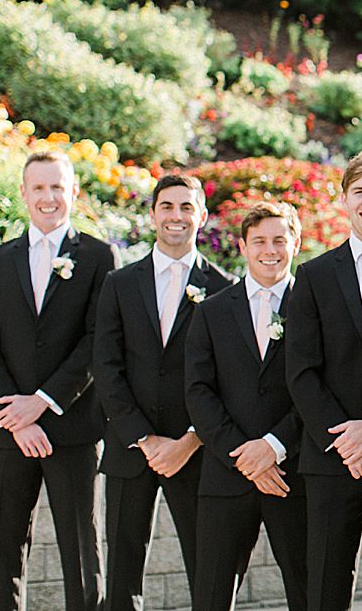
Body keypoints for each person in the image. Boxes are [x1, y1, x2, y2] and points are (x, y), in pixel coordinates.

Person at [0, 149, 117, 611]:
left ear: (73, 191)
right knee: (5, 553)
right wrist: (18, 415)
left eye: (58, 187)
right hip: (8, 430)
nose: (48, 197)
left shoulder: (97, 256)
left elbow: (97, 339)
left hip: (72, 428)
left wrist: (45, 401)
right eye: (39, 187)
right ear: (24, 194)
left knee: (82, 552)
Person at [93, 173, 237, 611]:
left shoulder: (224, 288)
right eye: (168, 207)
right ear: (153, 213)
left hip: (196, 449)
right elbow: (106, 365)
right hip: (131, 448)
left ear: (203, 216)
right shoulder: (120, 283)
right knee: (122, 574)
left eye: (187, 207)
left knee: (208, 568)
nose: (177, 216)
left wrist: (191, 439)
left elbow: (228, 378)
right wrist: (142, 436)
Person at [286, 149, 362, 610]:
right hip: (331, 455)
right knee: (326, 584)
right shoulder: (313, 276)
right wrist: (346, 440)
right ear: (344, 199)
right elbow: (300, 370)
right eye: (359, 191)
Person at [185, 201, 308, 611]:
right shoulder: (212, 311)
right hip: (227, 473)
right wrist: (244, 456)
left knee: (308, 590)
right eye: (259, 241)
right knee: (212, 596)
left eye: (279, 239)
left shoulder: (315, 309)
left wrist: (273, 446)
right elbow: (199, 391)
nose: (269, 250)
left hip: (293, 474)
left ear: (296, 242)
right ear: (242, 246)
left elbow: (321, 388)